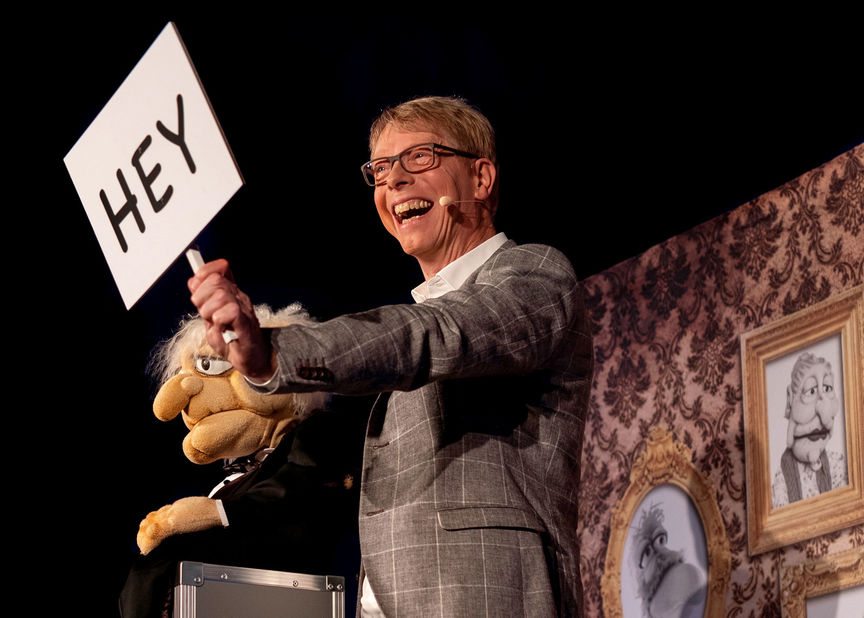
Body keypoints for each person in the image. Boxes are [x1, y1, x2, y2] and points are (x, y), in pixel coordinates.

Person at [188, 96, 594, 616]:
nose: (394, 180)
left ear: (482, 178)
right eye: (380, 168)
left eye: (420, 157)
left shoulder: (536, 273)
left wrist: (273, 352)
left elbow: (439, 333)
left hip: (489, 593)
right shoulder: (418, 323)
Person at [771, 352, 847, 508]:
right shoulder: (782, 477)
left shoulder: (837, 464)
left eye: (827, 388)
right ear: (790, 400)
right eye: (811, 391)